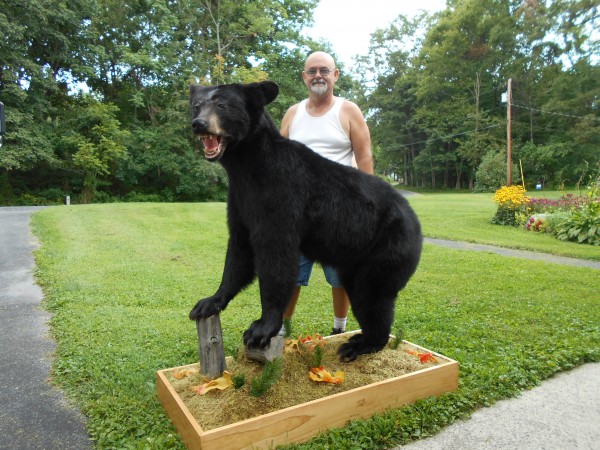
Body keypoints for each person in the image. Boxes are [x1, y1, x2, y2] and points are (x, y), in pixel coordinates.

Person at [279, 51, 373, 337]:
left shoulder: (347, 111)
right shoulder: (293, 114)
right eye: (312, 71)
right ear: (304, 77)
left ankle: (339, 330)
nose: (317, 75)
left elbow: (365, 158)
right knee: (289, 274)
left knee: (340, 277)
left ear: (335, 75)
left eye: (324, 70)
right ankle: (279, 330)